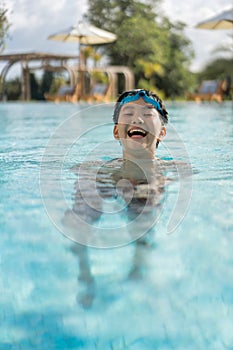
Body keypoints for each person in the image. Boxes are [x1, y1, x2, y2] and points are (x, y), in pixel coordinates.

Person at [63, 89, 189, 307]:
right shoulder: (100, 170)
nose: (137, 119)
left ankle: (138, 269)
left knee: (150, 195)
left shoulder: (174, 169)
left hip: (148, 184)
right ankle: (84, 272)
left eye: (148, 114)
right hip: (109, 177)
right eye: (128, 114)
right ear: (116, 132)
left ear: (162, 133)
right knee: (84, 206)